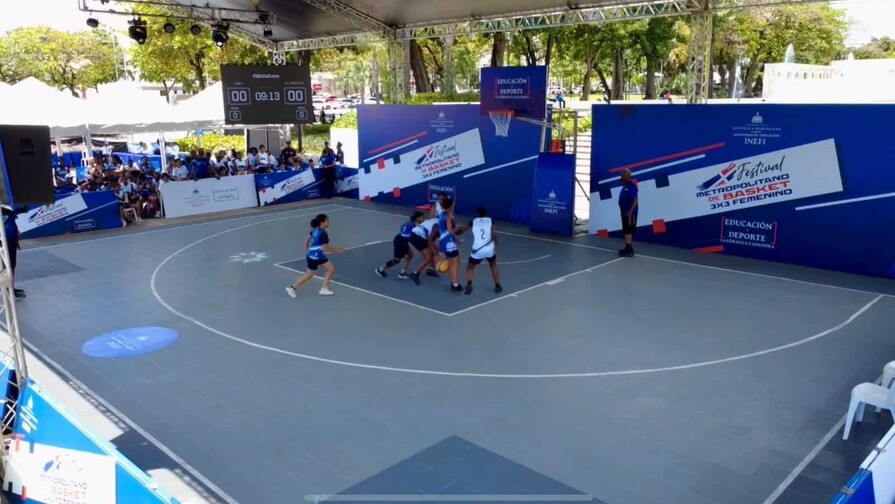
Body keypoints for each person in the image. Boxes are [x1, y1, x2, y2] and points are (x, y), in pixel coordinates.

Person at [286, 214, 344, 298]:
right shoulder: (323, 233)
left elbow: (307, 238)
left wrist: (306, 246)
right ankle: (324, 289)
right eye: (327, 221)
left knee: (309, 274)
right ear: (322, 222)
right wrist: (338, 250)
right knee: (331, 269)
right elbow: (325, 248)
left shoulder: (314, 230)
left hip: (310, 255)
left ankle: (292, 288)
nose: (329, 223)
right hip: (318, 256)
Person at [375, 211, 424, 279]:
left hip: (402, 240)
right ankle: (380, 270)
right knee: (396, 261)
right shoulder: (412, 226)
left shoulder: (411, 224)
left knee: (410, 255)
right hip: (400, 242)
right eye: (422, 217)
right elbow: (406, 235)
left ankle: (402, 273)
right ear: (417, 218)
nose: (423, 219)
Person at [465, 207, 502, 295]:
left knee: (470, 267)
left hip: (477, 250)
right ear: (485, 213)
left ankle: (469, 283)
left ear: (477, 214)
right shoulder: (490, 221)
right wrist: (496, 245)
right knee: (493, 265)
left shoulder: (473, 222)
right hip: (489, 250)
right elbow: (494, 235)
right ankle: (497, 286)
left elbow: (464, 229)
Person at [436, 199, 466, 292]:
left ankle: (454, 281)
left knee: (453, 261)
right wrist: (457, 239)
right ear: (451, 206)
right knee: (455, 262)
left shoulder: (441, 214)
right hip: (448, 241)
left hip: (442, 240)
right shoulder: (449, 216)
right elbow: (449, 231)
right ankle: (455, 284)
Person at [2, 205, 27, 299]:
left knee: (11, 264)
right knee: (7, 265)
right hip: (4, 239)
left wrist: (16, 230)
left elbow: (10, 216)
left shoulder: (7, 206)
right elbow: (10, 211)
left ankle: (10, 288)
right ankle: (8, 290)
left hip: (11, 238)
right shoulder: (6, 207)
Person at [408, 216, 442, 284]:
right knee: (428, 257)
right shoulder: (437, 226)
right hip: (418, 237)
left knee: (431, 253)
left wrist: (435, 250)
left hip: (417, 235)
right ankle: (415, 273)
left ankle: (431, 270)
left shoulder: (435, 221)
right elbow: (430, 241)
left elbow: (432, 240)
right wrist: (437, 254)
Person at [618, 168, 638, 257]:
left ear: (627, 176)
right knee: (625, 230)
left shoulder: (632, 186)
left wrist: (630, 212)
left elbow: (635, 201)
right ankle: (627, 247)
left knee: (628, 230)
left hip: (630, 214)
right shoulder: (625, 186)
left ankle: (630, 250)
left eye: (623, 175)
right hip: (624, 212)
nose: (621, 177)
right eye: (621, 175)